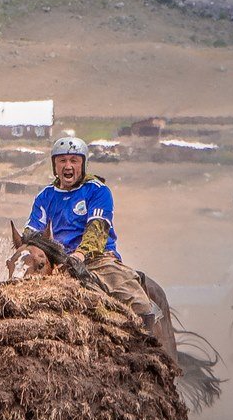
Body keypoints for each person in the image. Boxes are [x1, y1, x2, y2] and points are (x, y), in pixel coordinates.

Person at [24, 137, 156, 328]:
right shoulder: (45, 196)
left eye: (73, 160)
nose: (67, 166)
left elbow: (97, 228)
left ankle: (148, 351)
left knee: (139, 303)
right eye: (62, 160)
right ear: (54, 165)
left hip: (98, 260)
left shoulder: (97, 191)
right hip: (57, 263)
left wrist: (80, 254)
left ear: (83, 164)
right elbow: (32, 232)